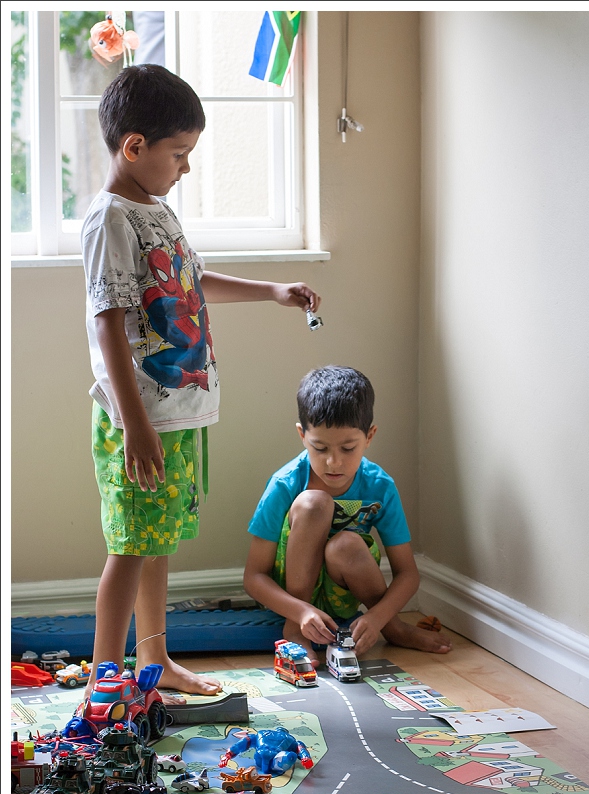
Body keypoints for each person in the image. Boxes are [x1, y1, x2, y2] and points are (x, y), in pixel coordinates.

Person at [81, 64, 320, 699]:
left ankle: (153, 667)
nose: (185, 168)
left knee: (157, 545)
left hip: (180, 409)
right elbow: (107, 326)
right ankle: (106, 686)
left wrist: (272, 291)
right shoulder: (110, 220)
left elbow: (193, 283)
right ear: (134, 146)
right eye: (179, 153)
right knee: (129, 549)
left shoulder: (158, 210)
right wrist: (134, 424)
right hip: (141, 419)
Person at [243, 366, 452, 662]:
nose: (333, 462)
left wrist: (379, 618)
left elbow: (407, 573)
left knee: (347, 544)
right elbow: (254, 577)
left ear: (369, 437)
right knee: (315, 503)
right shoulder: (284, 483)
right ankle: (295, 629)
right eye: (320, 447)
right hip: (292, 597)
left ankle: (395, 630)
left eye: (348, 448)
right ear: (302, 436)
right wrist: (299, 611)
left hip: (343, 590)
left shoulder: (379, 486)